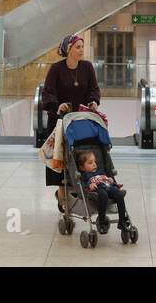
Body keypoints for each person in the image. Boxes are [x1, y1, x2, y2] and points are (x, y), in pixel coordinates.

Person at [41, 35, 102, 202]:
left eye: (82, 47)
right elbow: (47, 93)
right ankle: (62, 197)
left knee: (80, 155)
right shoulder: (56, 69)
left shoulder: (87, 67)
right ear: (69, 50)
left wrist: (93, 101)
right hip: (60, 122)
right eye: (78, 47)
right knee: (62, 159)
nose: (82, 50)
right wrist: (57, 105)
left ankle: (89, 186)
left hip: (81, 121)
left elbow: (94, 89)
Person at [77, 150, 132, 234]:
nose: (94, 164)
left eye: (95, 161)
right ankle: (101, 222)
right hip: (98, 189)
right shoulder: (84, 175)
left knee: (119, 194)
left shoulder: (100, 171)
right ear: (82, 167)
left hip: (108, 186)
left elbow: (106, 178)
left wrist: (109, 179)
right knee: (103, 195)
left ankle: (122, 221)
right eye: (90, 163)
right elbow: (83, 185)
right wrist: (90, 185)